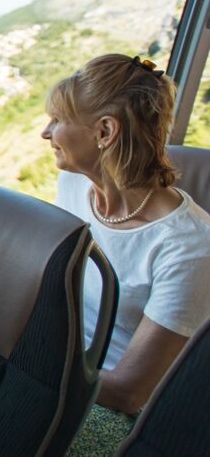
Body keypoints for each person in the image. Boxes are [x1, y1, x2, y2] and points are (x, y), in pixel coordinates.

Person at [41, 54, 210, 451]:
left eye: (58, 120)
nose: (46, 133)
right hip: (55, 362)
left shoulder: (191, 248)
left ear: (104, 131)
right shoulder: (74, 188)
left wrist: (33, 364)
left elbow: (131, 391)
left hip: (112, 406)